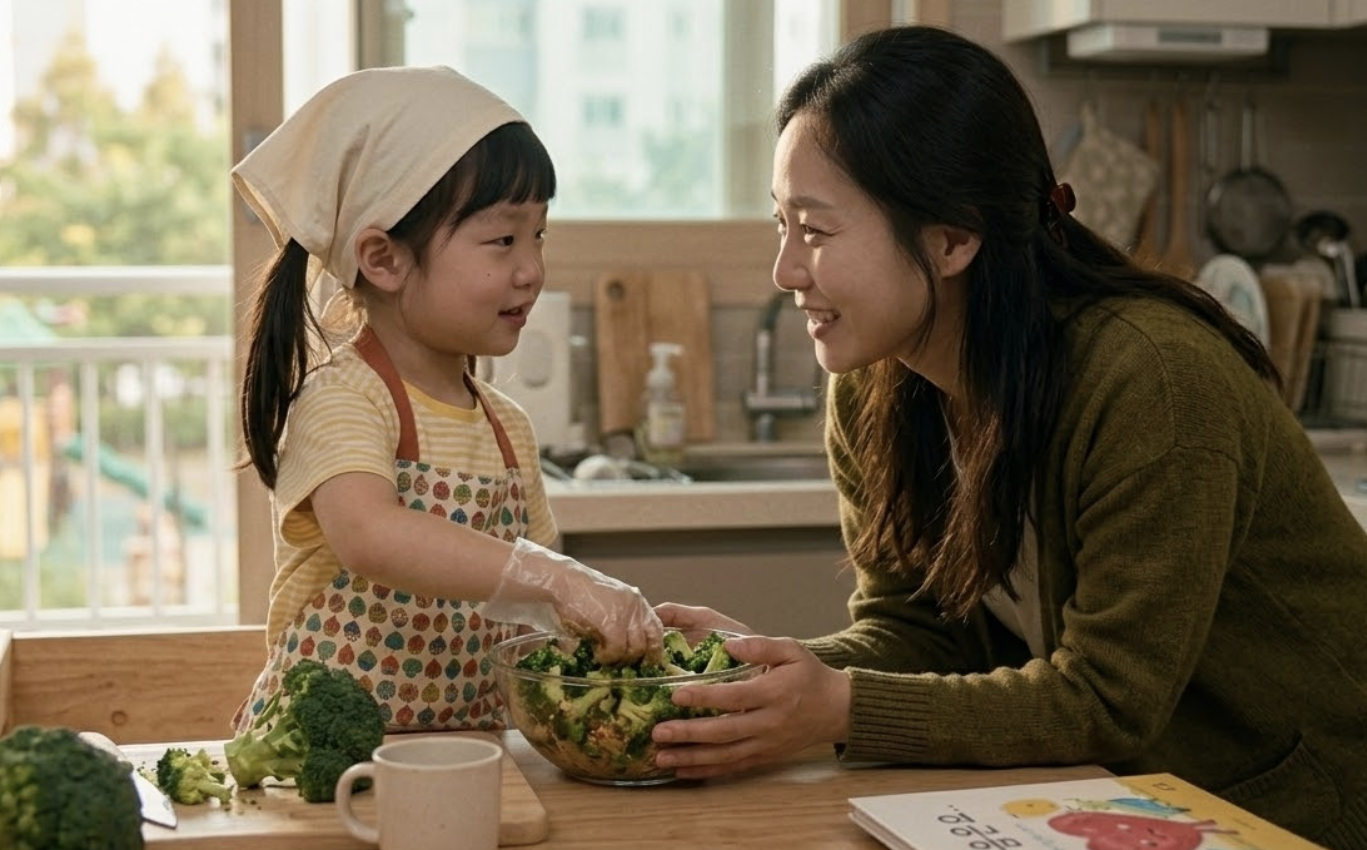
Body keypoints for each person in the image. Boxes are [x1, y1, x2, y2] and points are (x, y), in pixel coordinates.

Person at [652, 25, 1367, 847]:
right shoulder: (877, 383)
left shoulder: (1154, 382)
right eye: (781, 224)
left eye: (815, 230)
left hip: (1306, 807)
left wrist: (840, 705)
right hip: (1135, 805)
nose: (785, 270)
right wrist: (766, 674)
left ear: (954, 238)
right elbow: (920, 630)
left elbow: (1108, 700)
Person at [230, 66, 661, 734]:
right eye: (503, 239)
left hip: (470, 753)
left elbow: (538, 614)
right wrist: (558, 578)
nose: (532, 269)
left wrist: (610, 632)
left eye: (539, 235)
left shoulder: (507, 428)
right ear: (384, 259)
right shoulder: (343, 400)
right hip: (322, 766)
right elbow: (372, 535)